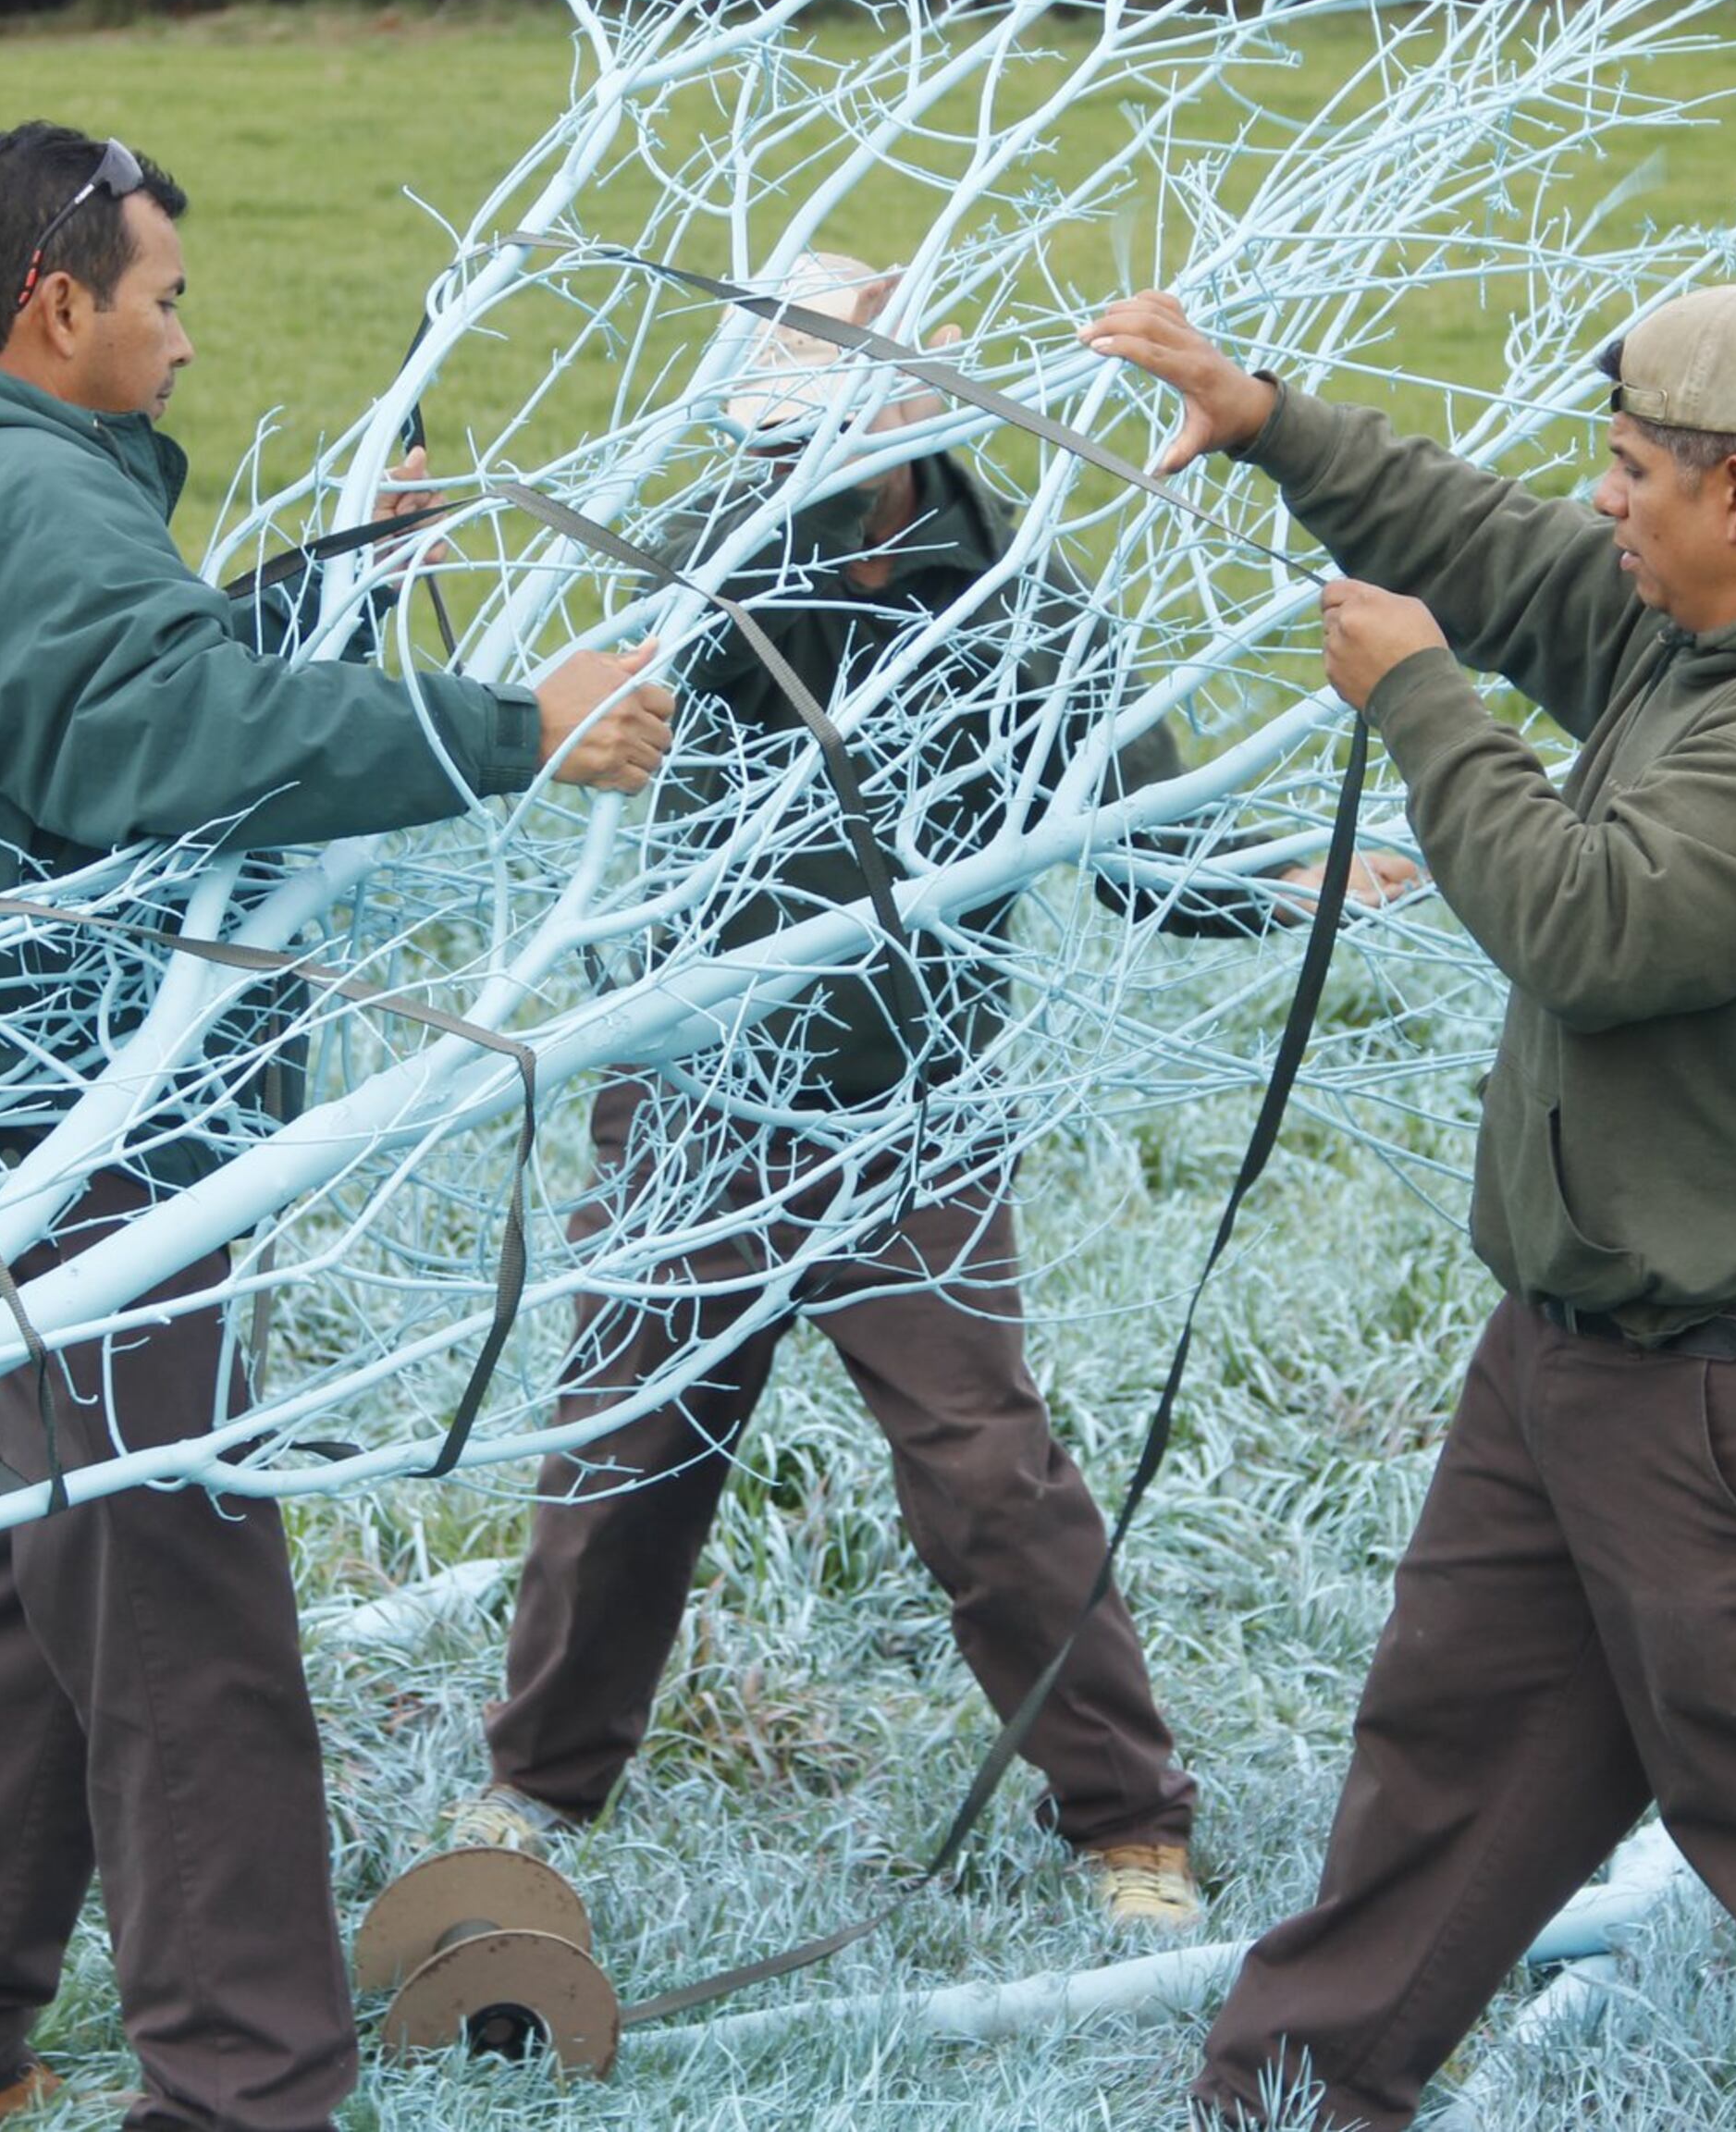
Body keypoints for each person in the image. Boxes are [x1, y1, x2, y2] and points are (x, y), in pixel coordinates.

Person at [0, 120, 672, 2132]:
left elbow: (113, 704)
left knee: (42, 1572)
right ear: (54, 298)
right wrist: (510, 728)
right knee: (187, 1622)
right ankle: (248, 2089)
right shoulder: (19, 502)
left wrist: (335, 588)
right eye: (163, 297)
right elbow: (171, 735)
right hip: (58, 1154)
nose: (186, 339)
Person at [1084, 281, 1736, 2130]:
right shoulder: (1709, 633)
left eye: (1629, 471)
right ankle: (1282, 2098)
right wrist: (1271, 416)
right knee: (1447, 1769)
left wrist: (1427, 706)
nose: (1602, 503)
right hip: (1574, 1359)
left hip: (1735, 1398)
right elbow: (1507, 560)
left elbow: (1596, 927)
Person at [443, 255, 1415, 1931]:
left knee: (985, 1471)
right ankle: (536, 1783)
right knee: (622, 1448)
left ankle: (1130, 1818)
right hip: (700, 1095)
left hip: (914, 1113)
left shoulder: (1021, 603)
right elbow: (581, 741)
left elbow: (1139, 844)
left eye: (817, 444)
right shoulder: (695, 569)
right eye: (767, 447)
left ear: (908, 423)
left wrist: (1303, 880)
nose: (787, 479)